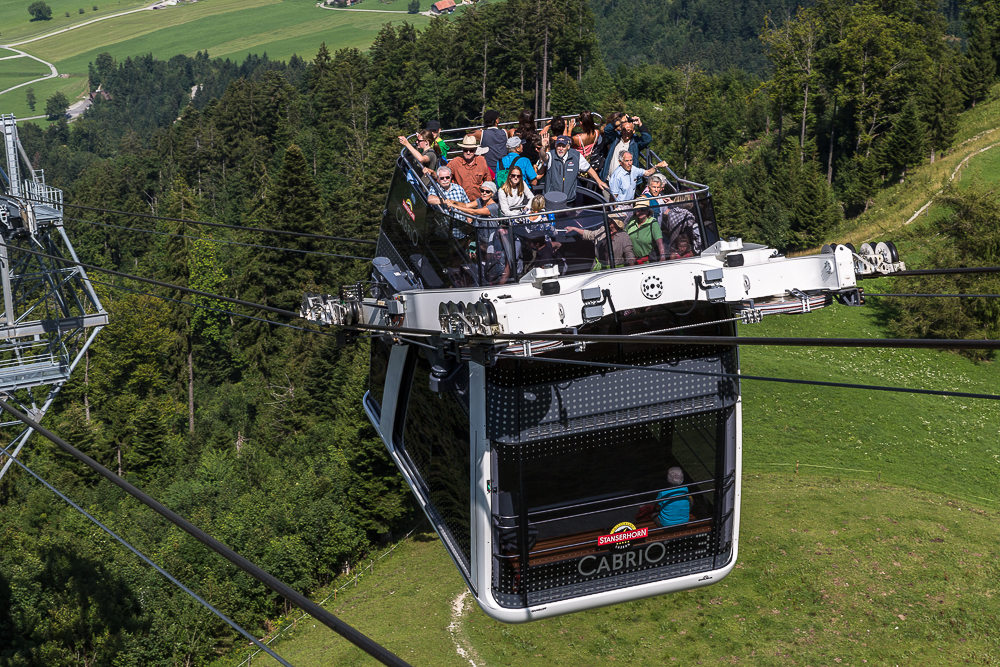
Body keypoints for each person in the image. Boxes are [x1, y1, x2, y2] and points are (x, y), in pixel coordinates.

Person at [537, 135, 609, 206]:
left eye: (563, 146)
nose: (561, 149)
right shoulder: (551, 155)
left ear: (568, 147)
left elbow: (588, 169)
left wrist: (599, 181)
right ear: (555, 146)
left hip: (569, 200)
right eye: (559, 146)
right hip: (551, 200)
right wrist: (543, 147)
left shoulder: (576, 156)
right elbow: (543, 156)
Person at [564, 216, 636, 270]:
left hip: (616, 269)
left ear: (615, 223)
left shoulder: (623, 236)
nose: (608, 220)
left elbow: (628, 253)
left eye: (610, 219)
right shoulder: (603, 229)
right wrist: (574, 228)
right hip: (599, 268)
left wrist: (631, 264)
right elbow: (590, 234)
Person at [600, 113, 653, 182]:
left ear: (633, 131)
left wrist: (640, 124)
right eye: (624, 130)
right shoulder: (615, 139)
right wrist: (619, 122)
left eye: (629, 130)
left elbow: (647, 139)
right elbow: (607, 130)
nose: (626, 132)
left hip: (626, 183)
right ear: (621, 130)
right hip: (609, 179)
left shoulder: (635, 143)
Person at [450, 135, 491, 201]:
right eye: (466, 150)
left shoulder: (481, 161)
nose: (468, 153)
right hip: (461, 202)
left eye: (471, 150)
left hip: (479, 201)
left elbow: (488, 181)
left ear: (475, 150)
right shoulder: (455, 162)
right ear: (462, 149)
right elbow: (443, 175)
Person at [471, 109, 508, 174]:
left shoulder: (481, 134)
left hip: (489, 170)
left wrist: (478, 130)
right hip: (504, 169)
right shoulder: (504, 132)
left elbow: (467, 136)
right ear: (497, 120)